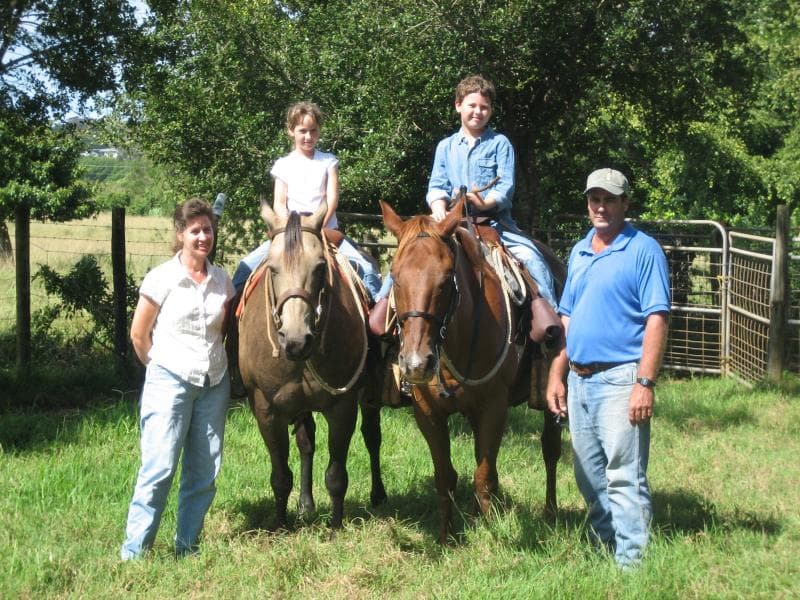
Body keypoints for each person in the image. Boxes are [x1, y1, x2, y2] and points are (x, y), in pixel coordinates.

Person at [546, 168, 670, 569]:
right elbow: (567, 317)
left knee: (624, 476)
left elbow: (657, 318)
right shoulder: (581, 250)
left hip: (621, 377)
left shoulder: (643, 250)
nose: (601, 206)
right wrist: (556, 372)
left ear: (625, 204)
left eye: (610, 199)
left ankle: (631, 567)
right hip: (579, 380)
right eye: (595, 198)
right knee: (588, 475)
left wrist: (645, 383)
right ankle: (605, 547)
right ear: (587, 204)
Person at [373, 74, 557, 309]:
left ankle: (552, 324)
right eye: (472, 105)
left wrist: (483, 203)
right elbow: (437, 186)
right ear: (458, 106)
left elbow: (505, 188)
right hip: (451, 223)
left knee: (533, 260)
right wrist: (439, 207)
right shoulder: (446, 146)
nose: (478, 112)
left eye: (484, 107)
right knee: (407, 256)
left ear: (490, 111)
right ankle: (381, 311)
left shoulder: (500, 144)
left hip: (494, 224)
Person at [121, 198, 235, 560]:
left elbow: (224, 332)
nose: (204, 237)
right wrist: (160, 369)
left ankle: (187, 547)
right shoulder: (162, 278)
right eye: (196, 230)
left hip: (214, 384)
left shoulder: (222, 281)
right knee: (159, 468)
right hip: (169, 382)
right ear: (180, 234)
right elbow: (139, 335)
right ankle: (135, 552)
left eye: (208, 230)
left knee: (204, 473)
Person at [232, 101, 382, 301]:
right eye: (303, 131)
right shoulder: (283, 165)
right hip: (290, 232)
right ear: (291, 131)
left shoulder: (328, 161)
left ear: (319, 131)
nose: (308, 137)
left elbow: (332, 199)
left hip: (326, 232)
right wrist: (290, 228)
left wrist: (315, 226)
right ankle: (232, 325)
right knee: (245, 269)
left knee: (367, 269)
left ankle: (377, 326)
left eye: (313, 131)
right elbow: (279, 203)